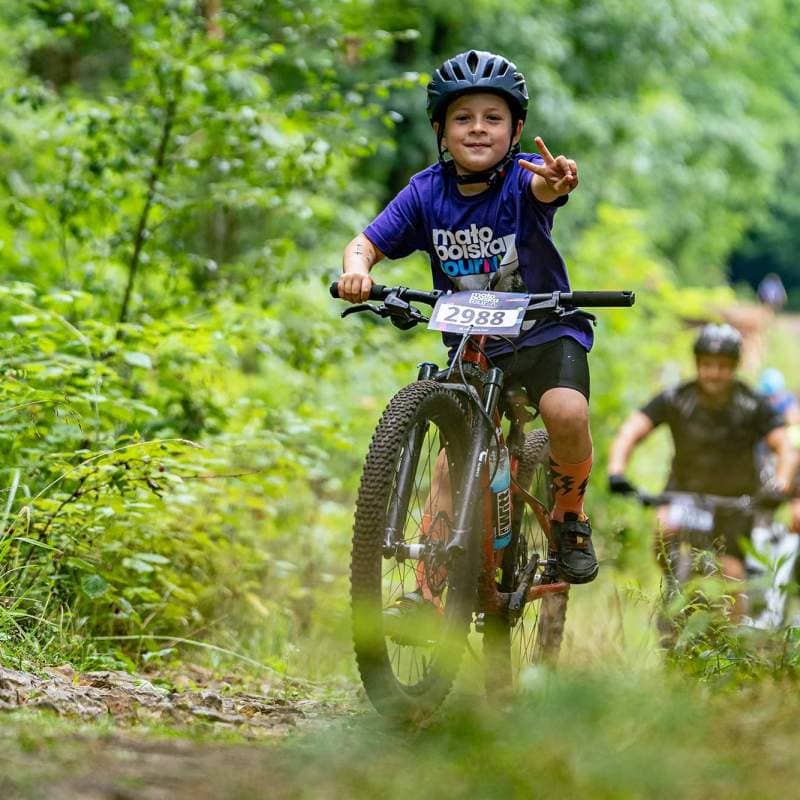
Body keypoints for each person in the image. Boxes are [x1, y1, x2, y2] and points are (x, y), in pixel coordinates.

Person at [337, 50, 597, 584]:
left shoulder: (522, 180)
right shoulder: (425, 192)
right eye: (463, 118)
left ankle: (569, 515)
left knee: (566, 412)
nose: (478, 129)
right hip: (474, 343)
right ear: (440, 128)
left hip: (546, 330)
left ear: (516, 128)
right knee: (448, 465)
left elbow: (546, 188)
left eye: (493, 118)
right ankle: (430, 585)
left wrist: (559, 179)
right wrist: (356, 272)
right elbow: (366, 243)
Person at [607, 323, 800, 615]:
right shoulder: (675, 398)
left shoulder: (752, 404)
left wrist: (781, 485)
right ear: (697, 364)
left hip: (736, 503)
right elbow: (632, 430)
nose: (714, 373)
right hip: (682, 493)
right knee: (662, 529)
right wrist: (617, 471)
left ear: (734, 367)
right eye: (707, 364)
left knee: (731, 574)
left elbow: (784, 448)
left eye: (723, 366)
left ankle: (733, 649)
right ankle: (675, 585)